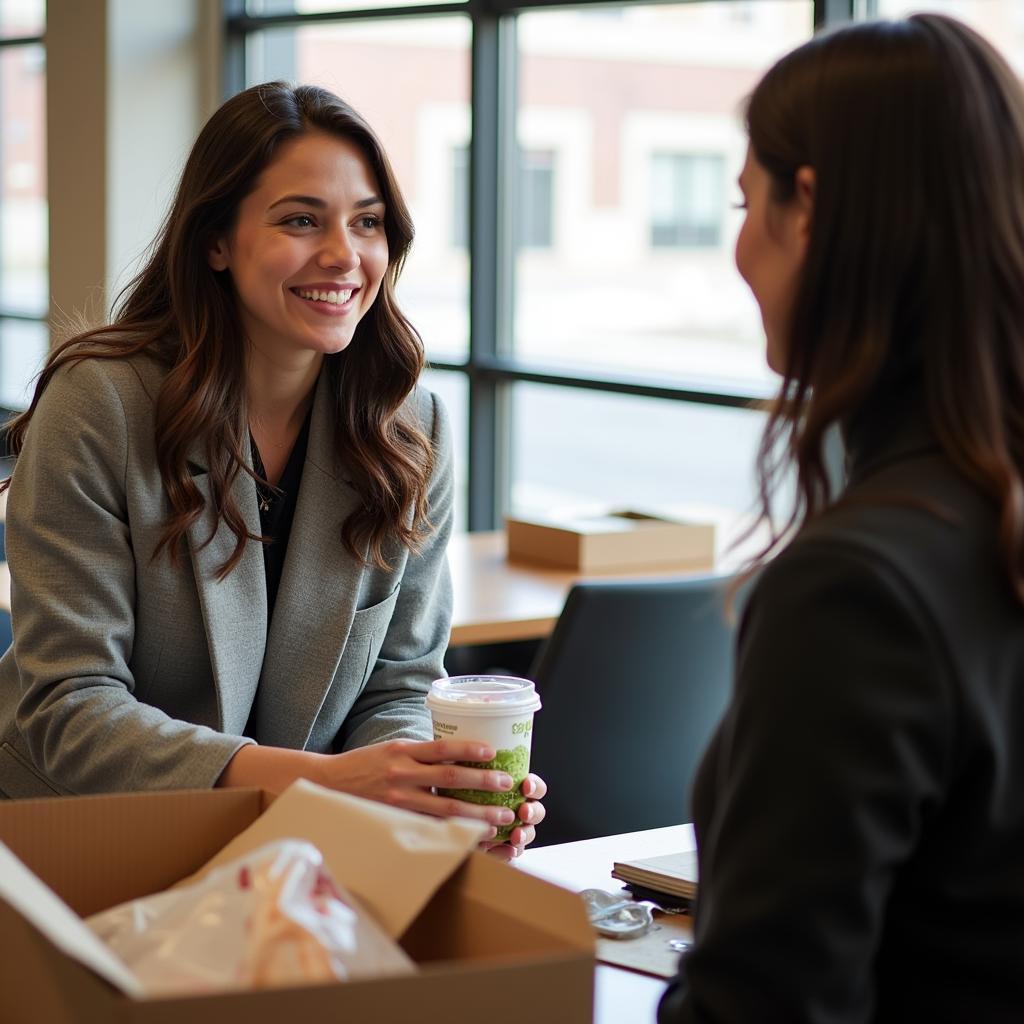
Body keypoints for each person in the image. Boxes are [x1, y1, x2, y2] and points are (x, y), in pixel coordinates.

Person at [0, 82, 544, 857]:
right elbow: (69, 708)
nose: (343, 255)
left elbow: (398, 685)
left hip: (294, 851)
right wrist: (328, 783)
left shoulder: (409, 428)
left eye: (367, 223)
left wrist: (429, 785)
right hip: (81, 841)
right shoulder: (102, 403)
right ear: (216, 241)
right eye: (300, 220)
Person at [660, 14, 1024, 1022]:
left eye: (745, 201)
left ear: (807, 206)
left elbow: (766, 1002)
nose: (739, 244)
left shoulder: (857, 585)